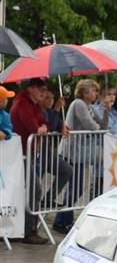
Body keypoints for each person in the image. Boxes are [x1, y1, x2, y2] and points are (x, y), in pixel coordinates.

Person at [9, 78, 71, 244]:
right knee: (34, 189)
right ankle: (28, 231)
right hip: (21, 154)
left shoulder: (34, 105)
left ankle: (40, 212)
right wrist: (41, 127)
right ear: (31, 89)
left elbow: (44, 123)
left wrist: (44, 127)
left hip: (32, 152)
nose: (44, 93)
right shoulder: (22, 104)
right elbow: (33, 127)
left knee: (37, 187)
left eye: (45, 90)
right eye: (41, 89)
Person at [56, 79, 110, 234]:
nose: (96, 93)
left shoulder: (90, 107)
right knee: (76, 188)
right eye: (93, 90)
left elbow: (103, 126)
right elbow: (90, 125)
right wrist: (98, 128)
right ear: (84, 92)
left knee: (76, 187)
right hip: (71, 151)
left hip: (79, 153)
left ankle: (64, 220)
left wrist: (106, 112)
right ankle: (62, 220)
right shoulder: (78, 104)